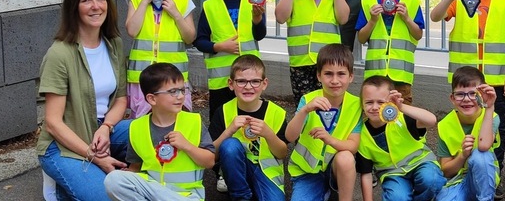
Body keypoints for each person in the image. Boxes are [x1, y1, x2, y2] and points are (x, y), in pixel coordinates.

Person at [430, 0, 505, 196]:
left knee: (495, 127)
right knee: (464, 126)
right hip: (464, 82)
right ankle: (462, 172)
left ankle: (493, 175)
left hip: (494, 81)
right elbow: (436, 17)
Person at [37, 0, 130, 201]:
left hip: (100, 132)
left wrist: (106, 127)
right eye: (86, 0)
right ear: (74, 8)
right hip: (62, 143)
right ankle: (59, 182)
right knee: (106, 196)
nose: (95, 6)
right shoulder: (60, 54)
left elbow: (120, 99)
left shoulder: (114, 44)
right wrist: (96, 158)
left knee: (156, 132)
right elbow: (53, 122)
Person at [104, 63, 215, 200]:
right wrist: (130, 176)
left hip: (186, 196)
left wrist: (187, 146)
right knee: (113, 179)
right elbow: (136, 166)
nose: (180, 96)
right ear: (152, 98)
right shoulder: (137, 127)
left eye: (182, 90)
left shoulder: (194, 122)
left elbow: (210, 162)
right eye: (173, 92)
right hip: (153, 192)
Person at [125, 0, 197, 118]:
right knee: (143, 125)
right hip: (141, 79)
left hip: (173, 78)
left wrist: (176, 13)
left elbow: (190, 37)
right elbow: (132, 31)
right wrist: (145, 1)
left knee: (175, 123)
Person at [195, 0, 267, 118]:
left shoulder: (253, 1)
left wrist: (257, 20)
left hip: (249, 79)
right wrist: (219, 46)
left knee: (251, 118)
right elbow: (199, 41)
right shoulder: (210, 6)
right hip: (221, 81)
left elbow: (259, 35)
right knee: (220, 119)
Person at [285, 44, 362, 201]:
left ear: (351, 77)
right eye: (328, 74)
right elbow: (290, 136)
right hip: (307, 172)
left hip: (336, 170)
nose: (335, 80)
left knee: (346, 158)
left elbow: (353, 146)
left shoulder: (357, 105)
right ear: (319, 76)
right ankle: (325, 192)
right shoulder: (307, 100)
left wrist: (329, 139)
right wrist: (305, 110)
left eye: (341, 74)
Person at [209, 55, 288, 201]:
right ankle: (241, 196)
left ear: (264, 84)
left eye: (255, 81)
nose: (248, 86)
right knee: (230, 145)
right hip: (236, 171)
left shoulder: (276, 113)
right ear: (231, 84)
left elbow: (282, 153)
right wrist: (229, 131)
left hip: (266, 173)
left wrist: (268, 134)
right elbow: (210, 155)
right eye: (241, 81)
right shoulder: (223, 111)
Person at [356, 75, 445, 201]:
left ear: (390, 102)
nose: (375, 107)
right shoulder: (361, 134)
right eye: (369, 102)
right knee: (397, 197)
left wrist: (401, 107)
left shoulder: (402, 117)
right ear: (362, 104)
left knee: (431, 180)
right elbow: (366, 174)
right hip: (392, 173)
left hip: (420, 163)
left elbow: (431, 120)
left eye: (381, 102)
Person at [356, 0, 424, 104]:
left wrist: (407, 18)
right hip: (376, 75)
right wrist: (372, 20)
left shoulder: (412, 3)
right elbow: (361, 38)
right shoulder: (368, 3)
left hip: (401, 75)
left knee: (401, 114)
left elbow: (418, 35)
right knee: (374, 114)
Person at [436, 66, 500, 201]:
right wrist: (462, 155)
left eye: (473, 93)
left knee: (479, 156)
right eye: (460, 94)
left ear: (482, 95)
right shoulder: (445, 125)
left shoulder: (491, 116)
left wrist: (489, 107)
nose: (466, 99)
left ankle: (486, 199)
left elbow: (483, 146)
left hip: (484, 180)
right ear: (452, 98)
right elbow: (446, 171)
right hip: (459, 181)